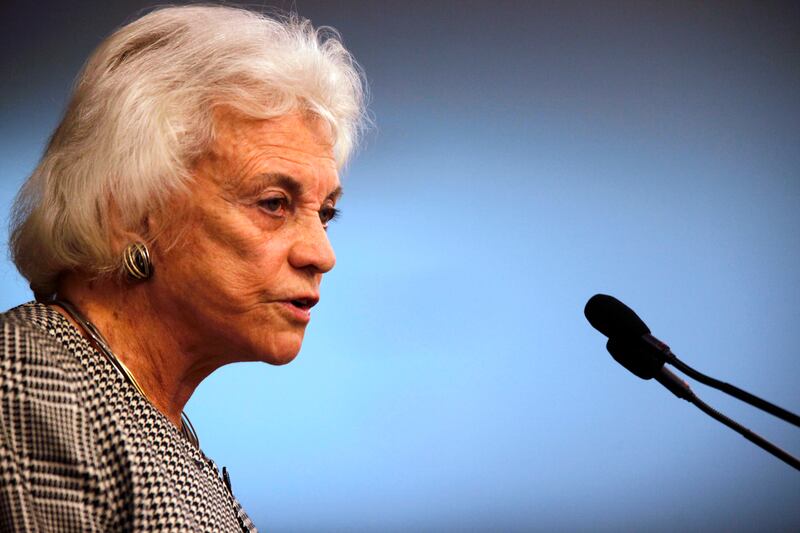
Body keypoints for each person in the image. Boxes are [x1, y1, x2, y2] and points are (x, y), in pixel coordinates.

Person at [0, 4, 366, 531]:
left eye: (325, 214)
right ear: (127, 211)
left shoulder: (151, 418)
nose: (321, 254)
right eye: (273, 203)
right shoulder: (30, 378)